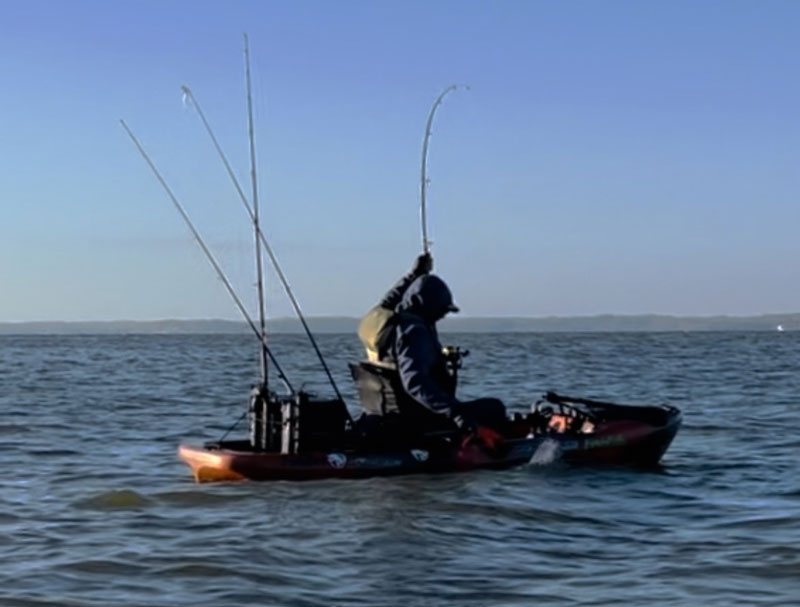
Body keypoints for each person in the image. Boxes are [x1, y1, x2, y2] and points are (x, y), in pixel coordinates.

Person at [357, 253, 507, 434]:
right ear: (429, 307)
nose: (442, 316)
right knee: (494, 408)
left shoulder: (383, 323)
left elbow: (389, 301)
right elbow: (414, 382)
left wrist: (415, 273)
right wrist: (456, 413)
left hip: (387, 413)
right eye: (442, 311)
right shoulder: (415, 332)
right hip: (419, 418)